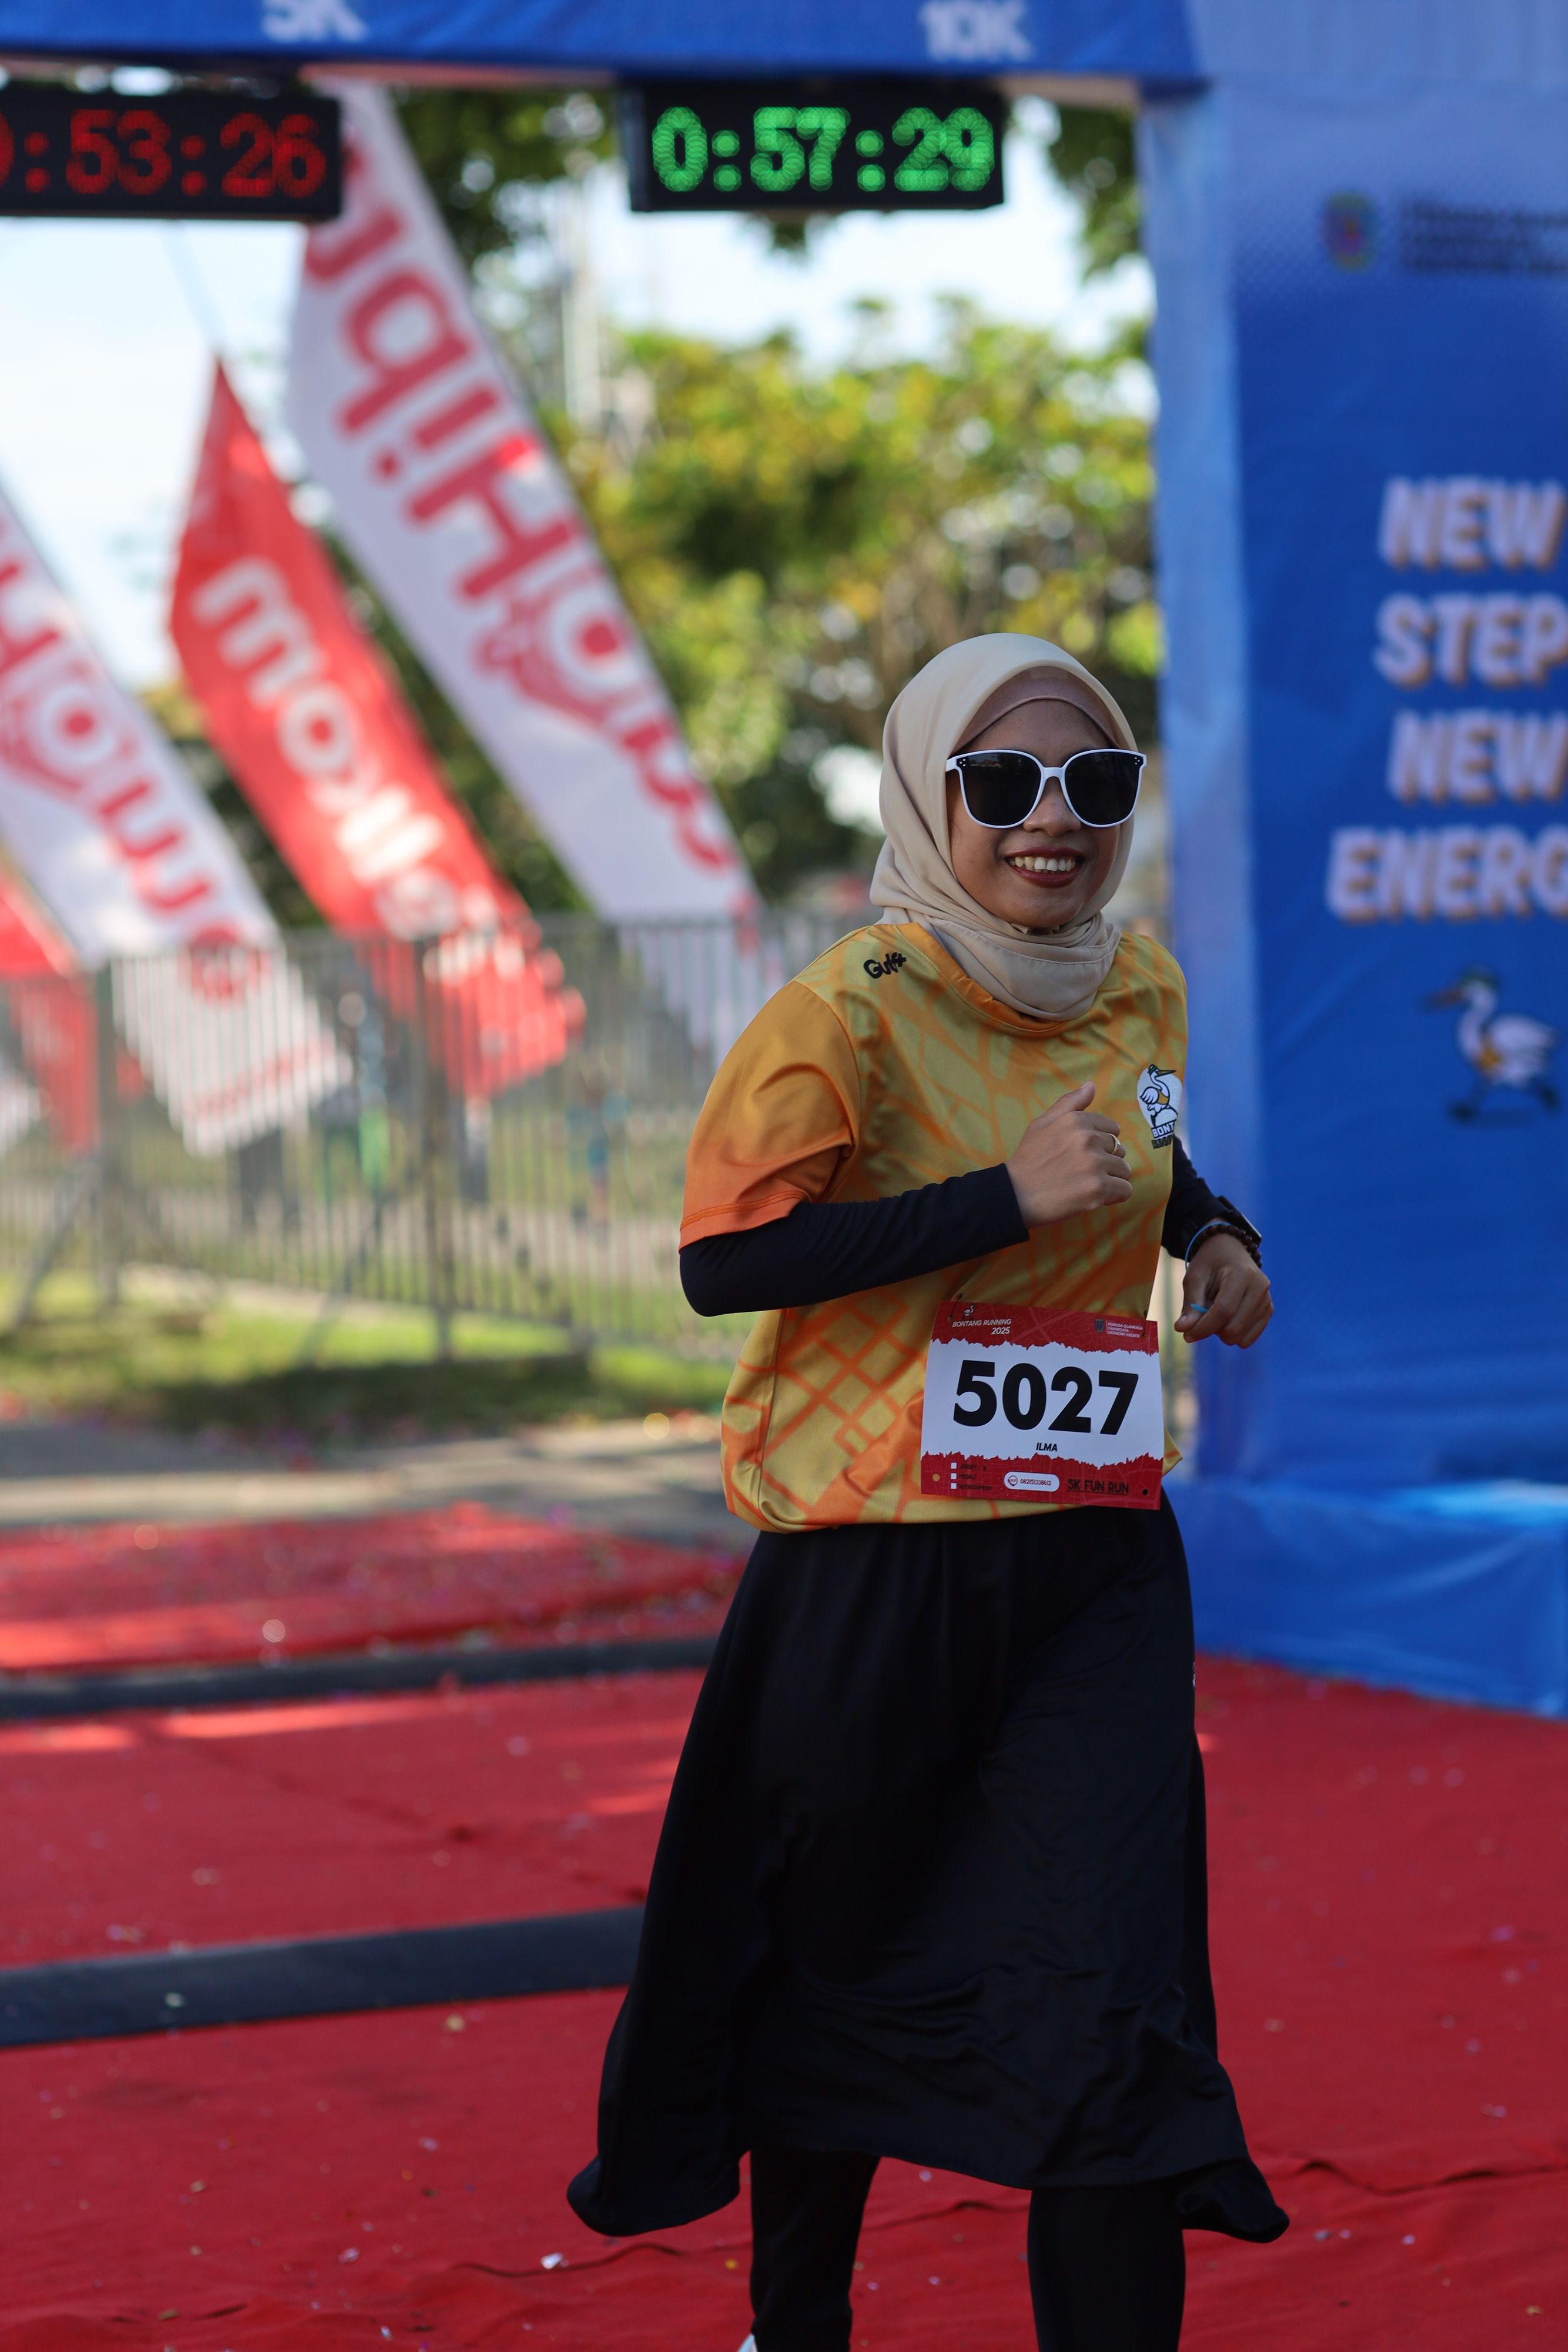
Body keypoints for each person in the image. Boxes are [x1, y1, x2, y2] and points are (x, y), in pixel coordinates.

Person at [567, 635, 1286, 2351]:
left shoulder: (1141, 986)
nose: (1057, 819)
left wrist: (1215, 1235)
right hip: (873, 1569)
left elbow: (1154, 1151)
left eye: (1096, 781)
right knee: (835, 1960)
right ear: (927, 795)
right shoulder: (846, 1013)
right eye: (1006, 783)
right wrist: (996, 1203)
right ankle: (796, 2322)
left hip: (1096, 1564)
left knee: (1114, 1988)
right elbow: (724, 1263)